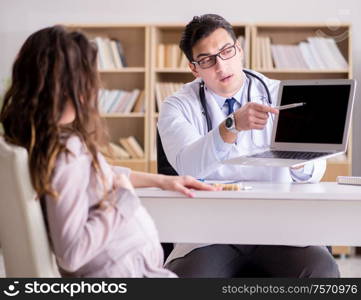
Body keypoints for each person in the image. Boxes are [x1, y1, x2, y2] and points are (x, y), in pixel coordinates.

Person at [0, 25, 217, 278]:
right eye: (89, 77)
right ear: (69, 86)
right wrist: (122, 199)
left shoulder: (39, 141)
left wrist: (163, 180)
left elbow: (94, 173)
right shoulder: (65, 151)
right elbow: (71, 253)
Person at [157, 14, 339, 278]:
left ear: (239, 50)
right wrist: (231, 125)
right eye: (207, 60)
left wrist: (298, 156)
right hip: (210, 232)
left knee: (320, 270)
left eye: (226, 51)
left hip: (279, 228)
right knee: (187, 279)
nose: (221, 66)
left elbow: (314, 173)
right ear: (194, 68)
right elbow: (189, 167)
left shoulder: (281, 94)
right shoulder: (177, 106)